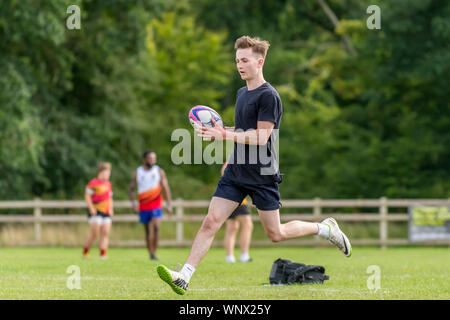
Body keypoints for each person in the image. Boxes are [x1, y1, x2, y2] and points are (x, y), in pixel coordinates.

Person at [157, 35, 352, 295]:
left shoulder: (269, 96)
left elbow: (261, 137)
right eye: (237, 60)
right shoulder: (241, 93)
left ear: (259, 62)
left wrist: (224, 135)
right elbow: (243, 131)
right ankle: (184, 276)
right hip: (237, 171)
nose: (240, 65)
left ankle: (325, 229)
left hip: (262, 173)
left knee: (276, 234)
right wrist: (221, 131)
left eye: (245, 60)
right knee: (210, 222)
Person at [129, 150, 173, 260]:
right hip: (144, 205)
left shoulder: (159, 171)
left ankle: (154, 252)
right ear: (144, 159)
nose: (152, 161)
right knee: (148, 231)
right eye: (150, 158)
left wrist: (168, 205)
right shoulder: (138, 173)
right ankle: (151, 253)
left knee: (156, 227)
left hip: (156, 204)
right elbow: (131, 189)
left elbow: (166, 188)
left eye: (154, 159)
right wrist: (133, 203)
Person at [221, 160, 253, 263]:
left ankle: (229, 257)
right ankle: (244, 255)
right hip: (237, 198)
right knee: (247, 225)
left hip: (227, 197)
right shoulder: (237, 159)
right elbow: (225, 172)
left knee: (232, 227)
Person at [82, 162, 114, 260]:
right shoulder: (93, 183)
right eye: (107, 172)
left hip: (106, 211)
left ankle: (103, 254)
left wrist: (111, 208)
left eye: (109, 172)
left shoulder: (108, 184)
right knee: (94, 233)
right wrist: (91, 208)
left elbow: (110, 198)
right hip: (96, 211)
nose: (108, 174)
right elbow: (87, 196)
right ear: (101, 172)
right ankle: (85, 253)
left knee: (105, 233)